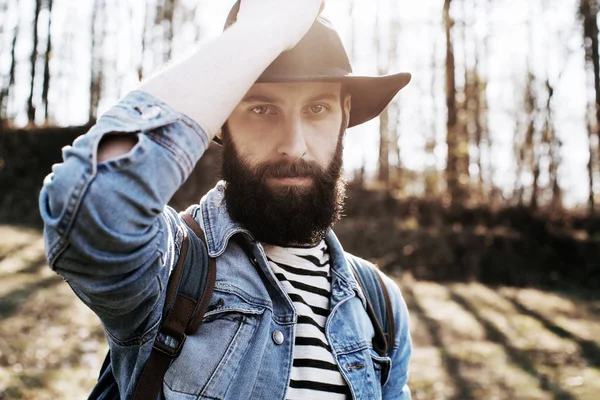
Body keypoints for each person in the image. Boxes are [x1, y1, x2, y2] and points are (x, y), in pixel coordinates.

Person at [39, 0, 412, 398]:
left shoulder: (381, 304)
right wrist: (261, 34)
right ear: (221, 121)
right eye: (261, 108)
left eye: (317, 108)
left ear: (344, 113)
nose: (294, 145)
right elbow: (89, 204)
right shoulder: (169, 266)